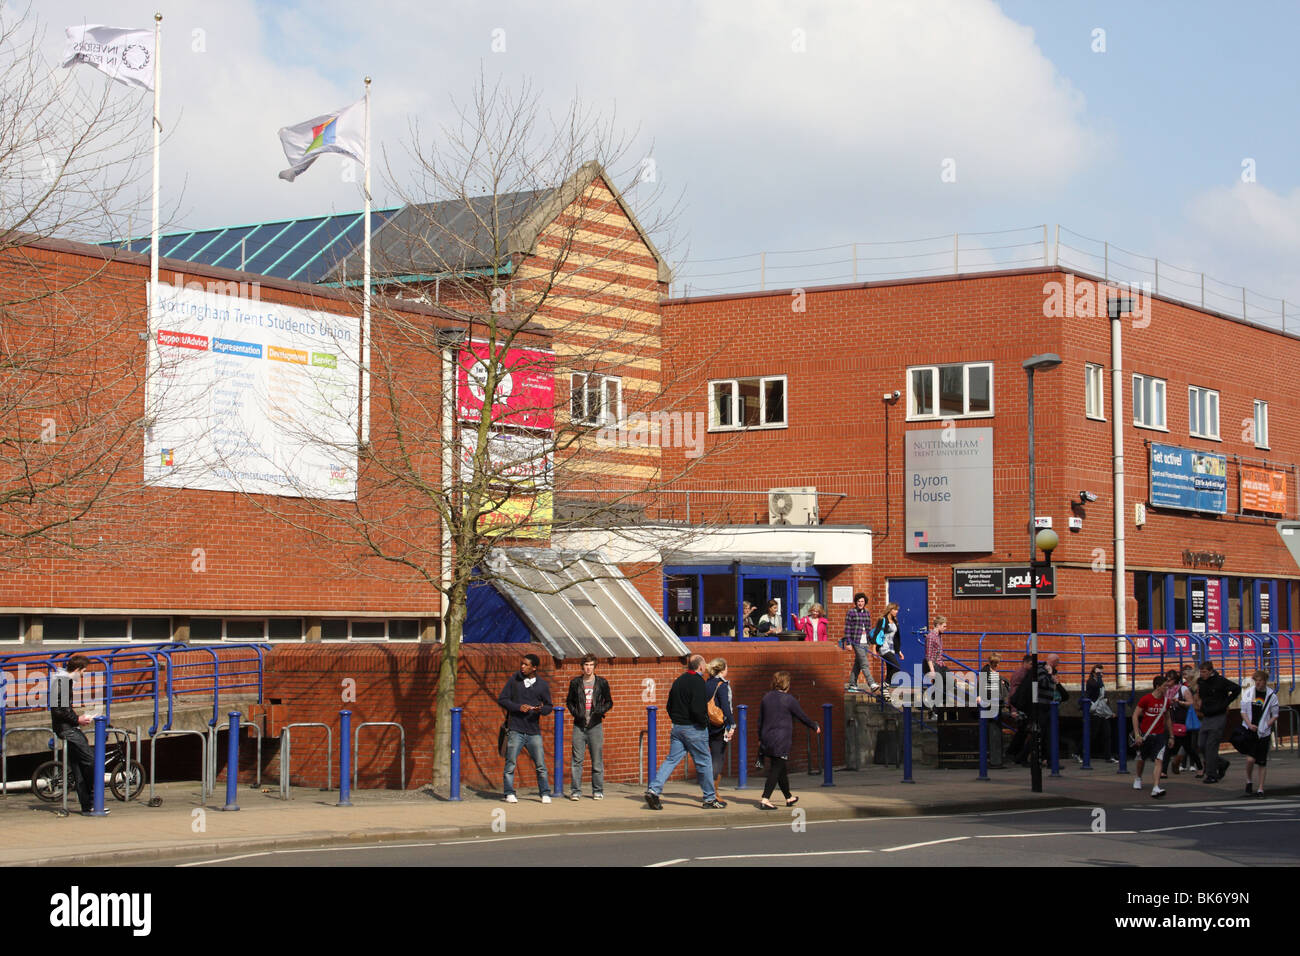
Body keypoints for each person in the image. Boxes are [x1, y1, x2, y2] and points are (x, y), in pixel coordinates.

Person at [645, 655, 725, 810]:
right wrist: (703, 723)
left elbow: (669, 705)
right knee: (705, 762)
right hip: (694, 728)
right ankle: (709, 798)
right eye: (704, 666)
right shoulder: (698, 682)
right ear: (701, 667)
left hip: (677, 727)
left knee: (671, 760)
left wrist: (677, 719)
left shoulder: (679, 681)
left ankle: (653, 790)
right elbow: (698, 708)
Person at [757, 670, 820, 809]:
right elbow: (801, 716)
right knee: (776, 768)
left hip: (767, 738)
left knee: (781, 768)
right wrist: (814, 726)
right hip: (781, 740)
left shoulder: (766, 698)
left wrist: (760, 738)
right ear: (786, 684)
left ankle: (788, 797)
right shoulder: (788, 699)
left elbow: (760, 720)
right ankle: (765, 799)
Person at [49, 655, 103, 816]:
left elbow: (63, 708)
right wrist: (77, 719)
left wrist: (76, 720)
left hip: (67, 726)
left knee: (78, 765)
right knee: (90, 760)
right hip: (66, 728)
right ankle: (93, 798)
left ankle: (88, 806)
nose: (84, 675)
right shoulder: (62, 682)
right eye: (83, 672)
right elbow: (58, 709)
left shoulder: (63, 681)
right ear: (77, 669)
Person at [497, 653, 554, 804]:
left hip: (533, 730)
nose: (522, 667)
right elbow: (502, 699)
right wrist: (517, 707)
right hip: (516, 728)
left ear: (534, 668)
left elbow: (549, 706)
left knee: (540, 764)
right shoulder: (514, 680)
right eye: (522, 664)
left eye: (526, 665)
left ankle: (545, 793)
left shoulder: (542, 685)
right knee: (510, 763)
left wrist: (540, 710)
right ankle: (509, 792)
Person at [565, 653, 613, 800]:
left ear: (594, 666)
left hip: (595, 725)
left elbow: (609, 702)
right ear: (582, 666)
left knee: (597, 760)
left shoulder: (602, 683)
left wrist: (600, 711)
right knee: (577, 760)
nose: (588, 668)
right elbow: (569, 702)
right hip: (579, 725)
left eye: (591, 665)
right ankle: (575, 791)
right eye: (586, 665)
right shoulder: (575, 683)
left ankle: (598, 790)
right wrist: (575, 713)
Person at [1193, 659, 1240, 784]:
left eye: (1204, 672)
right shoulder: (1201, 682)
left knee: (1211, 746)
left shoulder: (1220, 681)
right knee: (1201, 744)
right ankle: (1221, 763)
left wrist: (1226, 702)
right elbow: (1200, 695)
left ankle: (1211, 774)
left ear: (1210, 671)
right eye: (1201, 672)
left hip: (1218, 715)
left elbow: (1236, 689)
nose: (1202, 674)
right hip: (1207, 715)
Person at [1130, 673, 1175, 799]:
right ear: (1157, 686)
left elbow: (1168, 719)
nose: (1167, 689)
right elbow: (1135, 715)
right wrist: (1137, 734)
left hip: (1160, 735)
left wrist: (1171, 736)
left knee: (1159, 760)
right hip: (1145, 734)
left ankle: (1156, 786)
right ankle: (1138, 777)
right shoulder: (1146, 699)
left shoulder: (1166, 702)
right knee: (1141, 758)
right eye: (1165, 686)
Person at [1240, 669, 1280, 798]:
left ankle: (1261, 788)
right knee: (1250, 759)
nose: (1258, 683)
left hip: (1263, 732)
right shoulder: (1249, 693)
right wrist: (1249, 724)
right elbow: (1243, 711)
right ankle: (1249, 780)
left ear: (1265, 681)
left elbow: (1275, 715)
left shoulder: (1271, 696)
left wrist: (1265, 725)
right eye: (1256, 680)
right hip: (1250, 730)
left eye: (1260, 680)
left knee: (1262, 762)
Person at [704, 658, 735, 796]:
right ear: (722, 670)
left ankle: (711, 790)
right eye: (726, 668)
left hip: (707, 724)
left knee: (712, 756)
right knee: (718, 757)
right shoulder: (722, 685)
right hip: (719, 725)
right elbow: (726, 707)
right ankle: (712, 792)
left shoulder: (707, 683)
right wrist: (732, 724)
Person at [842, 592, 882, 693]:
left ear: (865, 602)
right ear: (856, 602)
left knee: (858, 664)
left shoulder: (867, 612)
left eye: (862, 601)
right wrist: (848, 643)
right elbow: (847, 628)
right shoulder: (851, 612)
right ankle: (871, 683)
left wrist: (871, 641)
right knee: (864, 663)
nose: (860, 603)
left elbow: (868, 627)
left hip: (865, 642)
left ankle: (852, 684)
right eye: (859, 601)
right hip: (856, 641)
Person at [1161, 667, 1195, 777]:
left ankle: (1198, 766)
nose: (1167, 682)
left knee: (1188, 747)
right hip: (1170, 720)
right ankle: (1163, 771)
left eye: (1170, 680)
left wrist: (1179, 702)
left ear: (1175, 680)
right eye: (1166, 679)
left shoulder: (1183, 689)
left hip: (1181, 721)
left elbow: (1191, 703)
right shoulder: (1165, 690)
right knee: (1167, 746)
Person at [1083, 663, 1116, 763]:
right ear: (1093, 673)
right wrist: (1098, 677)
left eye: (1102, 673)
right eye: (1099, 673)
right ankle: (1079, 752)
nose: (1101, 675)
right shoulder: (1090, 681)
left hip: (1102, 710)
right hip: (1094, 711)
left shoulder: (1099, 682)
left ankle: (1108, 756)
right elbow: (1098, 686)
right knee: (1092, 734)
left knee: (1107, 734)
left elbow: (1103, 697)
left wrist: (1109, 711)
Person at [872, 602, 904, 684]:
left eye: (897, 610)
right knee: (896, 667)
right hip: (883, 648)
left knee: (891, 669)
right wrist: (874, 650)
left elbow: (896, 638)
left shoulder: (895, 621)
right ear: (890, 610)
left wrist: (899, 651)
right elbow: (877, 634)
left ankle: (885, 689)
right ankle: (886, 685)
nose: (896, 611)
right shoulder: (882, 620)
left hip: (891, 648)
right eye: (895, 609)